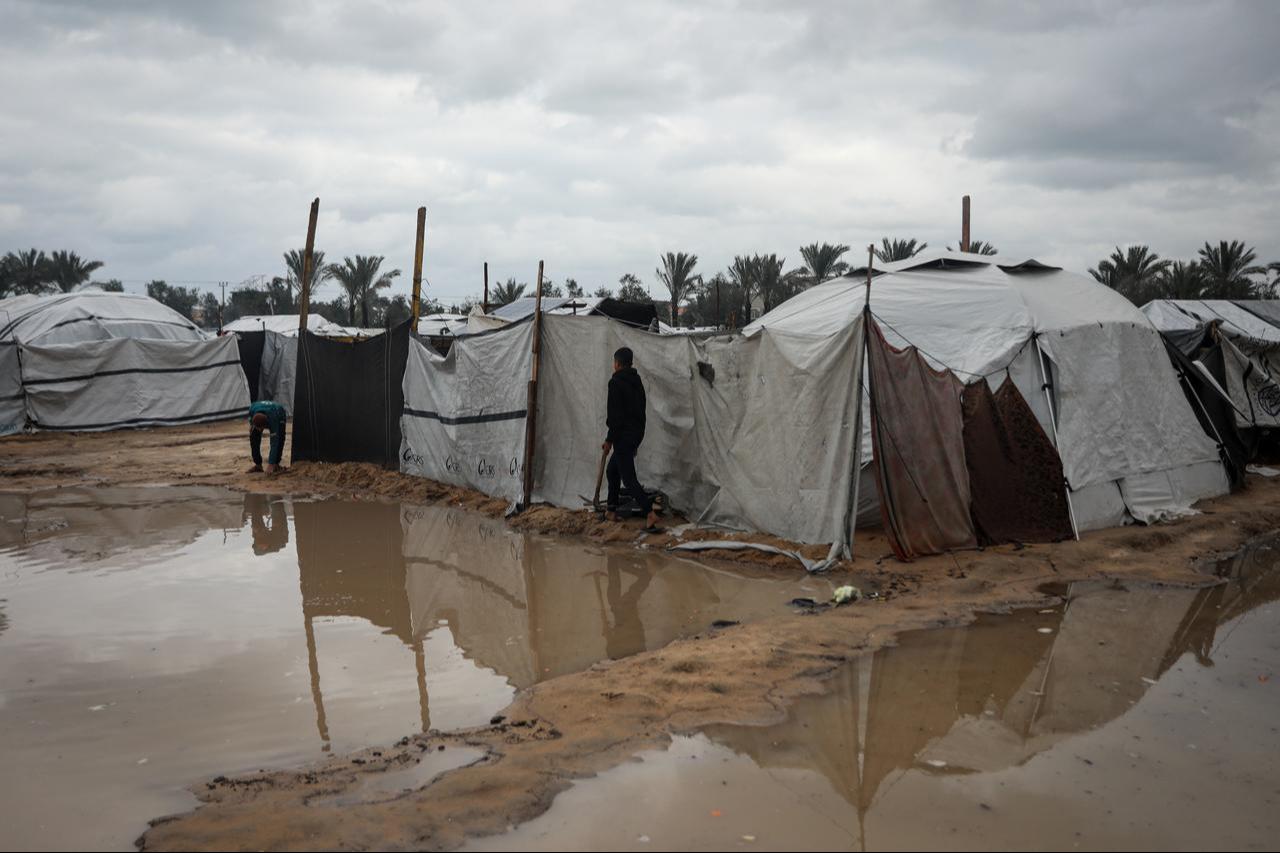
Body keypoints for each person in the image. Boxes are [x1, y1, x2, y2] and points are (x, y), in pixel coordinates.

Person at [603, 346, 661, 531]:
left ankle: (649, 513)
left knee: (628, 478)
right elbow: (640, 411)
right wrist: (636, 439)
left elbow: (615, 417)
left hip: (622, 436)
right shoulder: (637, 381)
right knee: (613, 471)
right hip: (635, 433)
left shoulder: (616, 383)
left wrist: (609, 440)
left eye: (614, 362)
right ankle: (611, 510)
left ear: (618, 363)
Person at [247, 400, 288, 475]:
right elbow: (250, 418)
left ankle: (275, 464)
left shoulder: (273, 419)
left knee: (280, 438)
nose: (260, 431)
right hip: (260, 410)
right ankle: (258, 465)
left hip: (279, 413)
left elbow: (274, 442)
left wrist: (271, 463)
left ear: (266, 425)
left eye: (261, 429)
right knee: (253, 437)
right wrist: (251, 425)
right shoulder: (252, 408)